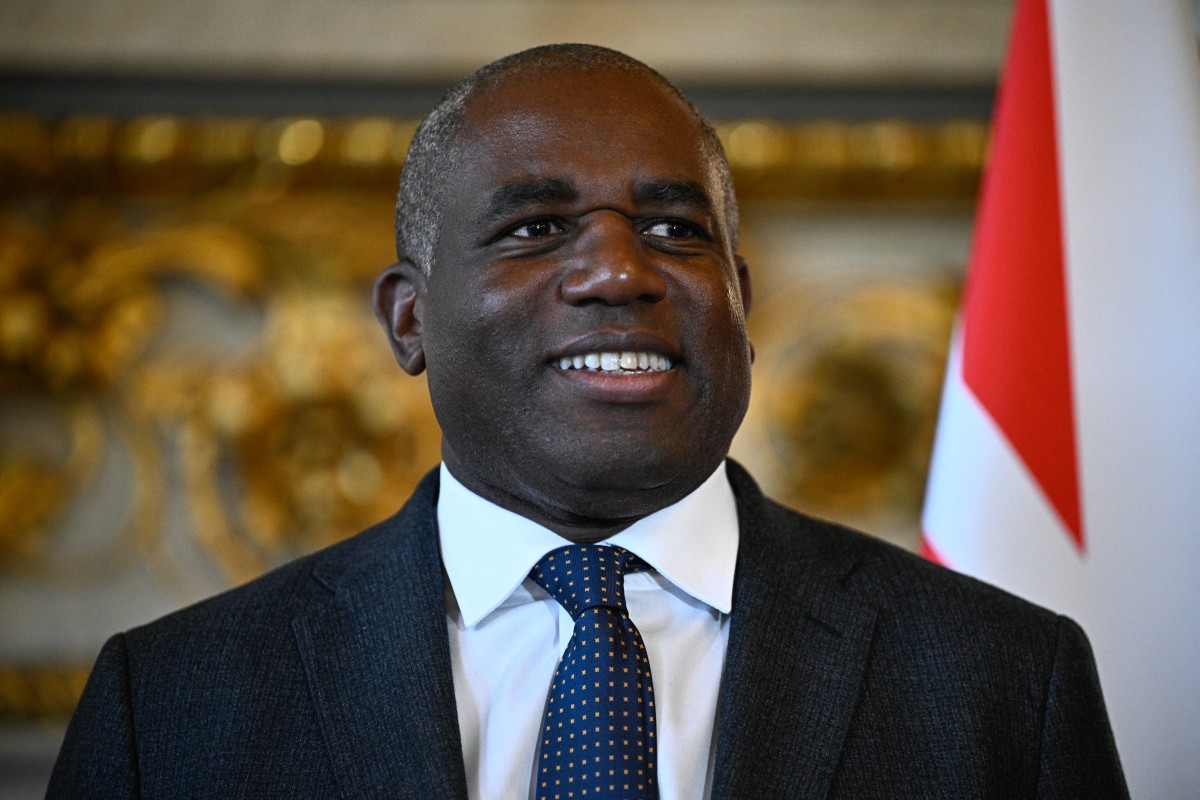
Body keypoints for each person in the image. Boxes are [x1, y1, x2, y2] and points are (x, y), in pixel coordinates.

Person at [48, 44, 1127, 799]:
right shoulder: (173, 705)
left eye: (671, 225)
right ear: (410, 317)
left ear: (741, 305)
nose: (619, 267)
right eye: (534, 227)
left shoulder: (1002, 684)